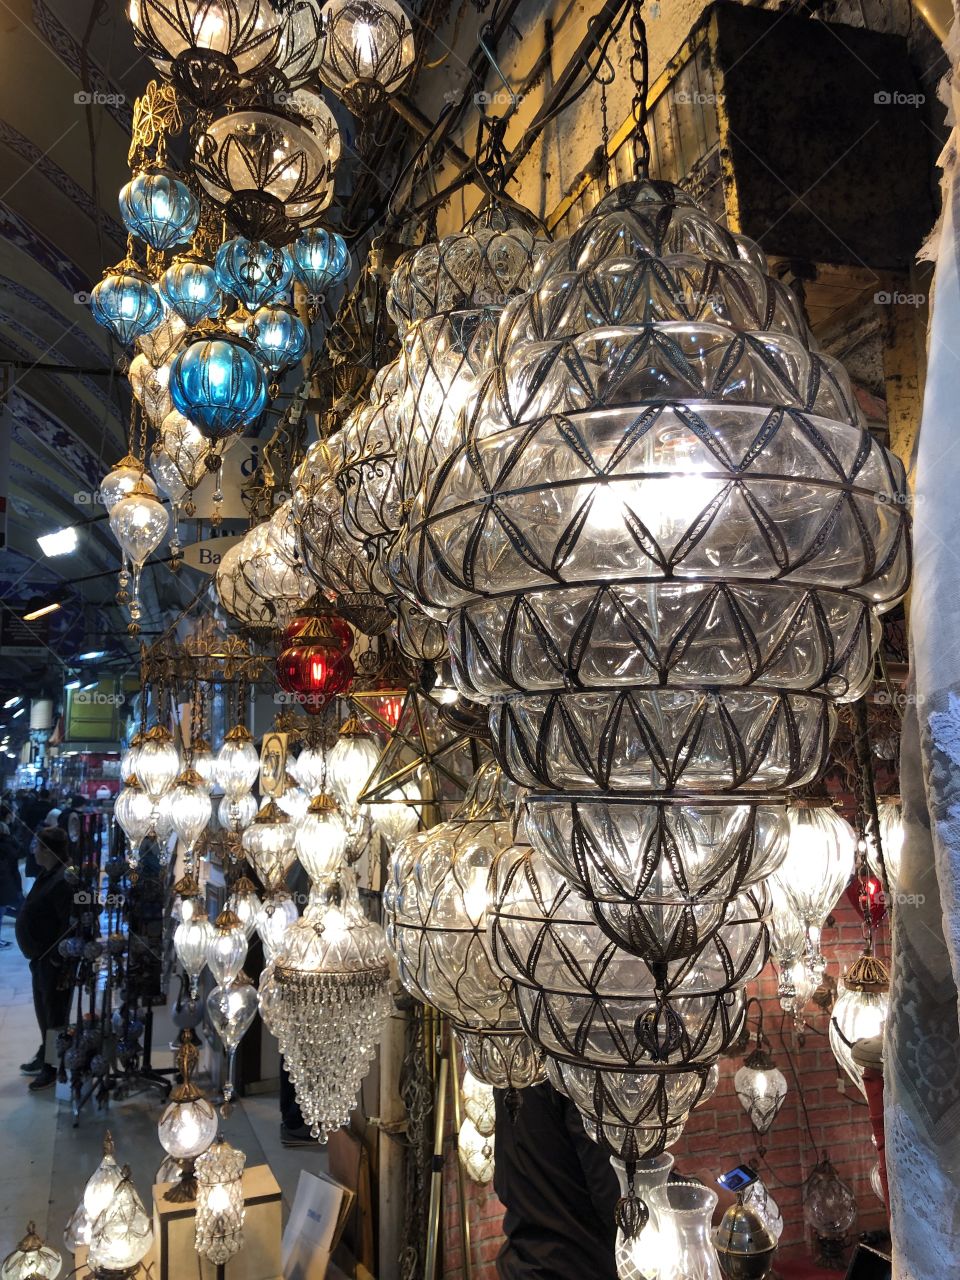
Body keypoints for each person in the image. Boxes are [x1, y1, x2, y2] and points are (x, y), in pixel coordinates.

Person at [493, 1081, 620, 1279]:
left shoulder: (510, 1061)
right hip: (579, 1262)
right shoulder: (575, 1062)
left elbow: (505, 1175)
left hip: (526, 1259)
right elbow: (612, 1195)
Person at [15, 825, 75, 1090]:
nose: (33, 851)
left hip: (53, 961)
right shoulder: (48, 874)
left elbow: (69, 924)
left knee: (54, 1015)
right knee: (44, 1012)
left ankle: (52, 1067)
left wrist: (55, 960)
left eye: (36, 847)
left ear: (48, 851)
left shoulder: (65, 879)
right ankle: (45, 1055)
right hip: (41, 959)